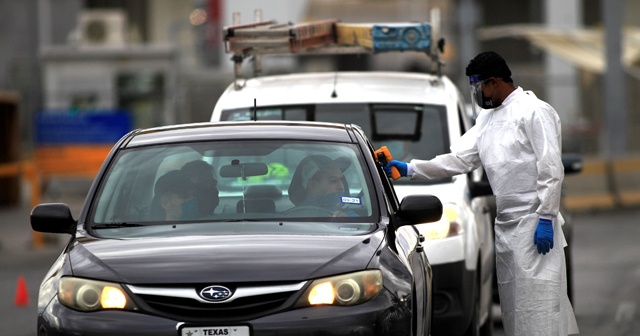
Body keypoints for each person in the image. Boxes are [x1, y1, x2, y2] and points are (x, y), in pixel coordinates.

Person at [384, 51, 579, 335]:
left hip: (535, 227)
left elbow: (550, 168)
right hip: (507, 229)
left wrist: (546, 217)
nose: (477, 94)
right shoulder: (488, 120)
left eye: (479, 87)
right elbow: (458, 160)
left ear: (495, 82)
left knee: (541, 310)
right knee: (515, 312)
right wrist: (411, 169)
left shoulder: (534, 111)